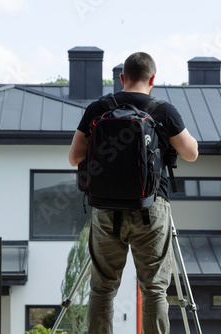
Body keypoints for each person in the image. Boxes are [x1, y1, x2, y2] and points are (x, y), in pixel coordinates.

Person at [68, 51, 199, 334]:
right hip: (151, 208)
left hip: (105, 209)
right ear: (152, 78)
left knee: (102, 289)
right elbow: (191, 153)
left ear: (121, 78)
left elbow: (74, 157)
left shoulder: (97, 109)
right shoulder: (163, 110)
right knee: (154, 289)